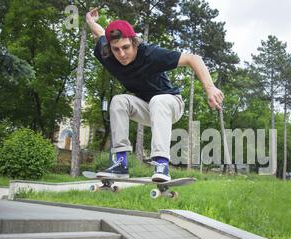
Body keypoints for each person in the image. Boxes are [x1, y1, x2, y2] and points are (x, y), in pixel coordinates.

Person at [85, 7, 224, 182]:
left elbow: (193, 59)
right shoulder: (106, 52)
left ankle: (161, 164)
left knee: (158, 101)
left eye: (126, 47)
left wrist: (210, 88)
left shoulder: (150, 54)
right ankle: (120, 163)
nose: (121, 54)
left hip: (171, 103)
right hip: (145, 107)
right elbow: (100, 34)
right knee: (118, 100)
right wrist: (91, 21)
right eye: (116, 49)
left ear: (134, 42)